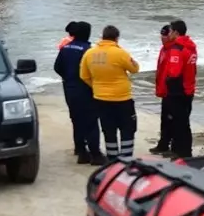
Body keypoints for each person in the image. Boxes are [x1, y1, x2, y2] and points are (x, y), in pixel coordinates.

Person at [80, 24, 140, 159]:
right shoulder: (120, 53)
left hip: (101, 99)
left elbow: (84, 76)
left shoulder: (89, 54)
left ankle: (112, 160)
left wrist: (96, 87)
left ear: (102, 37)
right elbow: (134, 69)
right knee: (127, 129)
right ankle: (126, 159)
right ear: (116, 38)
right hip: (123, 99)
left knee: (109, 130)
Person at [53, 21, 103, 165]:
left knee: (76, 120)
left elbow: (57, 67)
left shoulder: (65, 48)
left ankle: (81, 151)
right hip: (86, 90)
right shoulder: (88, 50)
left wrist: (68, 78)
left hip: (70, 89)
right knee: (91, 122)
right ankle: (95, 154)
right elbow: (94, 72)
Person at [161, 19, 197, 159]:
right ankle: (181, 151)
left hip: (178, 91)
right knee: (183, 122)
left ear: (175, 32)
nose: (168, 33)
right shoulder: (191, 46)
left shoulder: (177, 48)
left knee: (178, 123)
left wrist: (167, 80)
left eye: (170, 31)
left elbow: (174, 73)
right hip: (189, 88)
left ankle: (182, 153)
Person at [149, 24, 175, 155]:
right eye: (162, 35)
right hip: (164, 88)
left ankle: (171, 146)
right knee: (165, 118)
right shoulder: (164, 49)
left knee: (172, 119)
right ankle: (163, 144)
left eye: (165, 35)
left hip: (172, 90)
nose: (162, 38)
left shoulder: (174, 50)